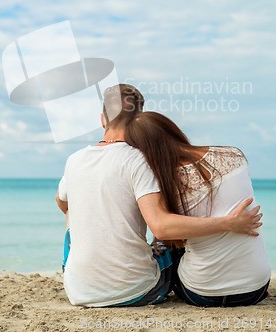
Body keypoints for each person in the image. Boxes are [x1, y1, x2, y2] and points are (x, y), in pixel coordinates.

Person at [56, 84, 263, 308]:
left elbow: (62, 204)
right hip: (138, 291)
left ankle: (88, 275)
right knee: (170, 243)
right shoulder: (141, 160)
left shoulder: (74, 160)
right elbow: (162, 227)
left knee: (70, 212)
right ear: (141, 120)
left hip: (79, 292)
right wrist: (228, 223)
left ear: (102, 119)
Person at [125, 111, 271, 307]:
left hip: (203, 293)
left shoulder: (168, 184)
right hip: (256, 288)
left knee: (164, 248)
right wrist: (229, 223)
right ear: (173, 130)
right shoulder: (234, 155)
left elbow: (164, 233)